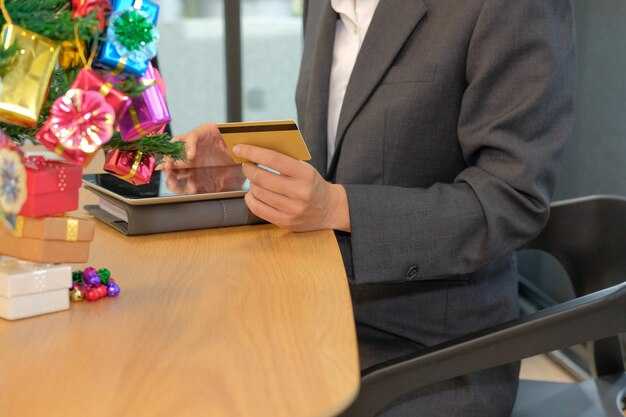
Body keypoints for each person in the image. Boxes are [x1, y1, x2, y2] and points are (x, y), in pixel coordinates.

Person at [165, 0, 575, 415]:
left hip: (432, 351)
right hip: (318, 313)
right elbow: (344, 148)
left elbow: (511, 201)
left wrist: (336, 208)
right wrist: (244, 162)